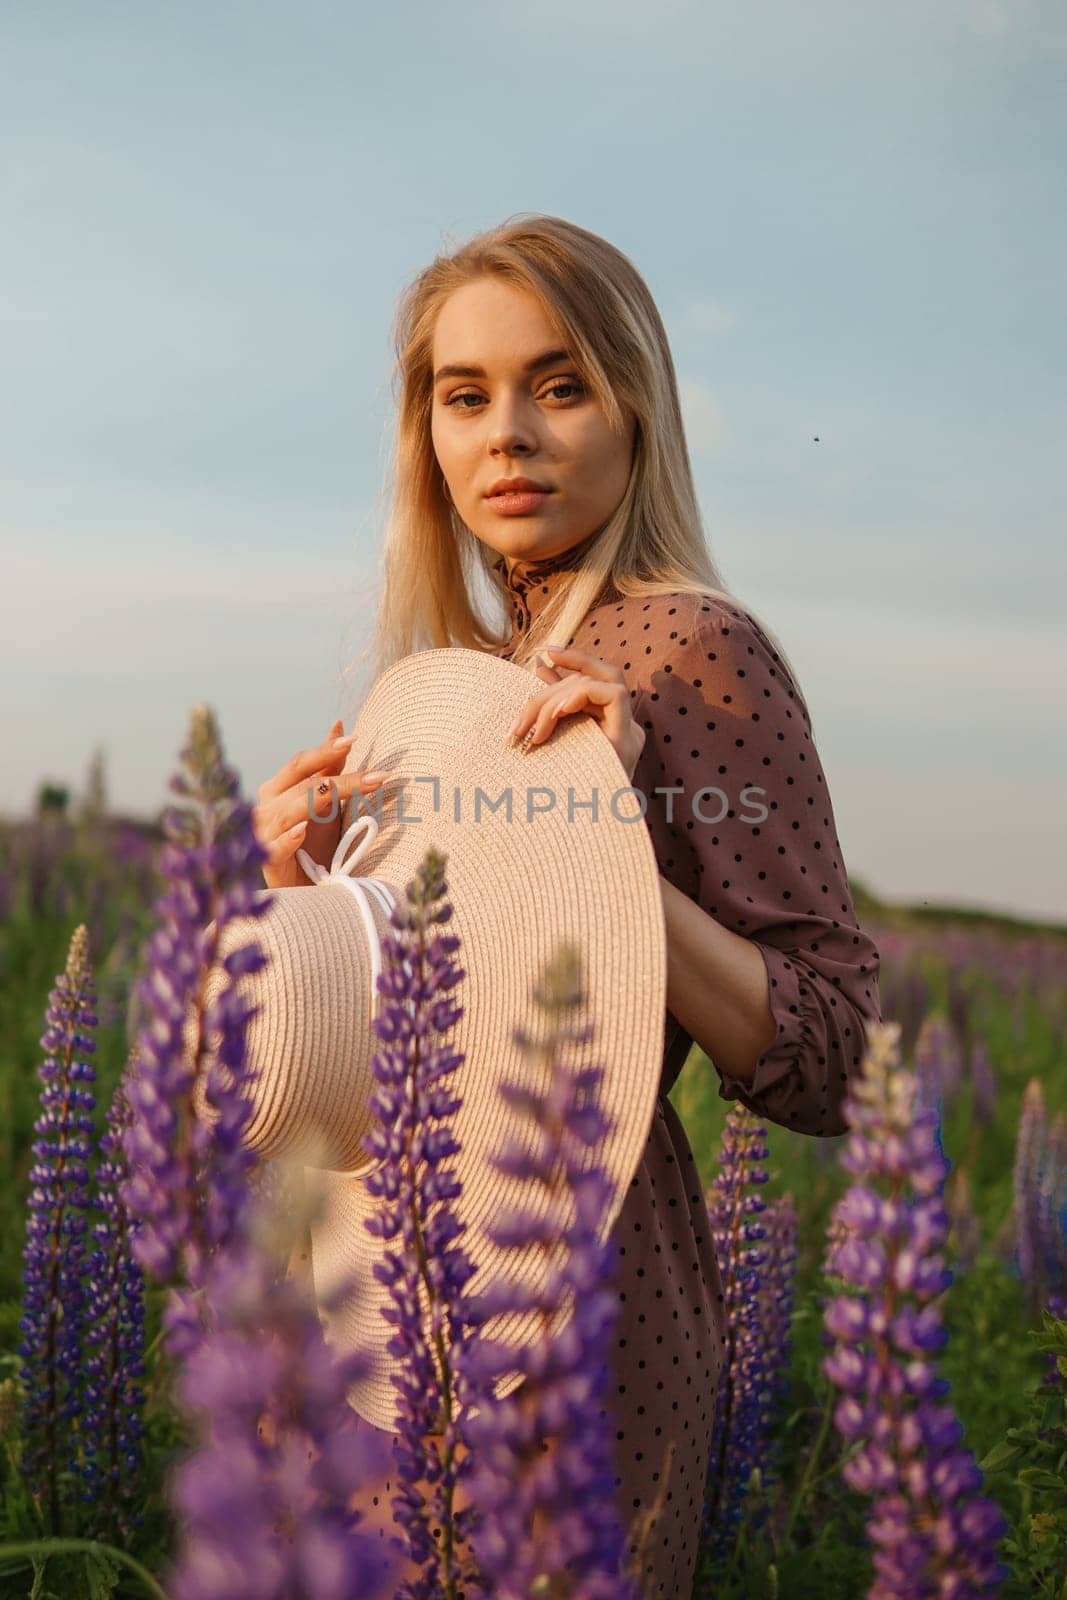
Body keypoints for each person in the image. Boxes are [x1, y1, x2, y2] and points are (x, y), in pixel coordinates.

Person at [252, 213, 883, 1599]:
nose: (508, 436)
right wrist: (296, 902)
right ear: (425, 438)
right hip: (373, 1286)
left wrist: (607, 857)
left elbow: (839, 1054)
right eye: (463, 398)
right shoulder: (449, 682)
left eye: (559, 383)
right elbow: (333, 1079)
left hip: (587, 1296)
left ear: (636, 407)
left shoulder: (689, 650)